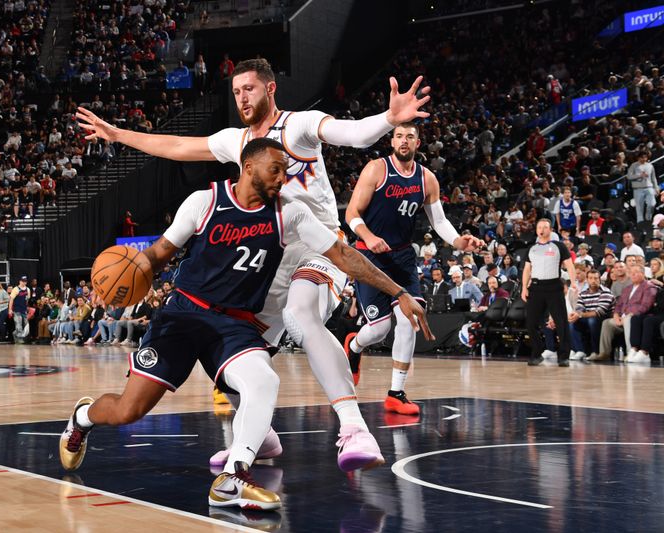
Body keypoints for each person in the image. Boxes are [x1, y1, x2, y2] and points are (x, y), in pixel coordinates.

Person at [75, 58, 431, 469]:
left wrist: (388, 119)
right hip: (270, 255)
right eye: (237, 91)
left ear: (270, 88)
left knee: (301, 311)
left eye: (250, 89)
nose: (243, 97)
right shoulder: (237, 140)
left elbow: (349, 133)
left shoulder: (297, 125)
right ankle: (257, 437)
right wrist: (118, 134)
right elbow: (175, 147)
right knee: (239, 349)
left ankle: (353, 428)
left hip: (318, 246)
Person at [342, 122, 482, 409]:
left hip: (402, 258)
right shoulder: (376, 169)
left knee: (410, 319)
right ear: (392, 141)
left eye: (409, 137)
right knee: (379, 330)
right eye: (399, 136)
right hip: (370, 255)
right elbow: (352, 213)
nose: (403, 141)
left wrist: (458, 241)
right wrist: (369, 236)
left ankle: (395, 394)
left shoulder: (426, 179)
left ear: (418, 143)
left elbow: (439, 220)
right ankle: (354, 345)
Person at [522, 219, 577, 367]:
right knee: (531, 322)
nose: (542, 230)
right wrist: (523, 288)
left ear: (550, 230)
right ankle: (537, 353)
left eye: (545, 227)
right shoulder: (532, 248)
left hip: (554, 287)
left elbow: (569, 265)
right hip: (535, 287)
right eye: (539, 227)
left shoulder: (559, 246)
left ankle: (563, 356)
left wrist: (573, 282)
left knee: (561, 322)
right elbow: (527, 269)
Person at [593, 265, 657, 362]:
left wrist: (629, 315)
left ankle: (630, 352)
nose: (633, 275)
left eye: (636, 272)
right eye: (631, 273)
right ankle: (604, 353)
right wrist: (616, 315)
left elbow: (645, 306)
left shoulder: (649, 287)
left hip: (636, 317)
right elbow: (618, 305)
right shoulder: (628, 288)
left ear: (643, 274)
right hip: (621, 318)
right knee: (606, 323)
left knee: (628, 320)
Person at [571, 270, 615, 360]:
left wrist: (580, 315)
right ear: (587, 280)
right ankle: (580, 351)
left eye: (596, 278)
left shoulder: (606, 292)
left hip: (604, 318)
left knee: (592, 320)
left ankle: (596, 351)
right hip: (587, 317)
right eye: (590, 278)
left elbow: (599, 312)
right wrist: (575, 315)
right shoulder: (583, 294)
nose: (593, 281)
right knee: (571, 322)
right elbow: (579, 308)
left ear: (600, 280)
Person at [628, 150, 657, 223]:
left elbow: (653, 178)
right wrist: (640, 175)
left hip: (649, 187)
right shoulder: (633, 165)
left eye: (645, 157)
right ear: (638, 158)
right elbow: (629, 176)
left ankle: (648, 219)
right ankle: (640, 224)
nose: (644, 159)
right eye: (642, 157)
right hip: (638, 189)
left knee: (652, 203)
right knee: (639, 208)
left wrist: (656, 187)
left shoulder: (650, 165)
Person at [8, 276, 30, 344]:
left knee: (26, 325)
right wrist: (10, 310)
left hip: (24, 310)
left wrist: (27, 307)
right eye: (22, 281)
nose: (24, 282)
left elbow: (27, 299)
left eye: (25, 281)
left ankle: (16, 334)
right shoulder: (16, 289)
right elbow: (11, 300)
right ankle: (20, 339)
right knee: (18, 324)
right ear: (20, 281)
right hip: (17, 310)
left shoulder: (28, 289)